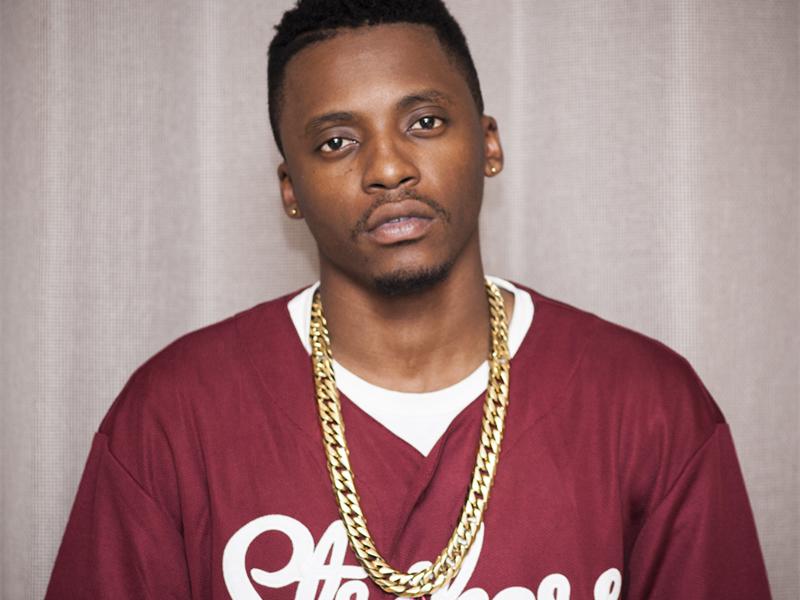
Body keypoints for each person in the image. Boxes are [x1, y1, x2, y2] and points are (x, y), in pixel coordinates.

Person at [47, 1, 772, 598]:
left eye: (424, 122)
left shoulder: (651, 406)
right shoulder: (171, 416)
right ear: (290, 189)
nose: (389, 168)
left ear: (488, 145)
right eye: (336, 142)